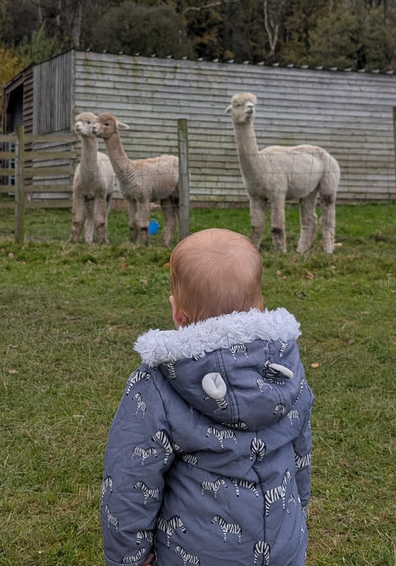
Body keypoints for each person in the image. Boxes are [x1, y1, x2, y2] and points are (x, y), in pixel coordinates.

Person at [101, 228, 313, 566]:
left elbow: (130, 479)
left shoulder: (156, 385)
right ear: (259, 306)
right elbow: (300, 448)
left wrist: (128, 557)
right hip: (282, 547)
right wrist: (299, 507)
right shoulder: (285, 370)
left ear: (177, 314)